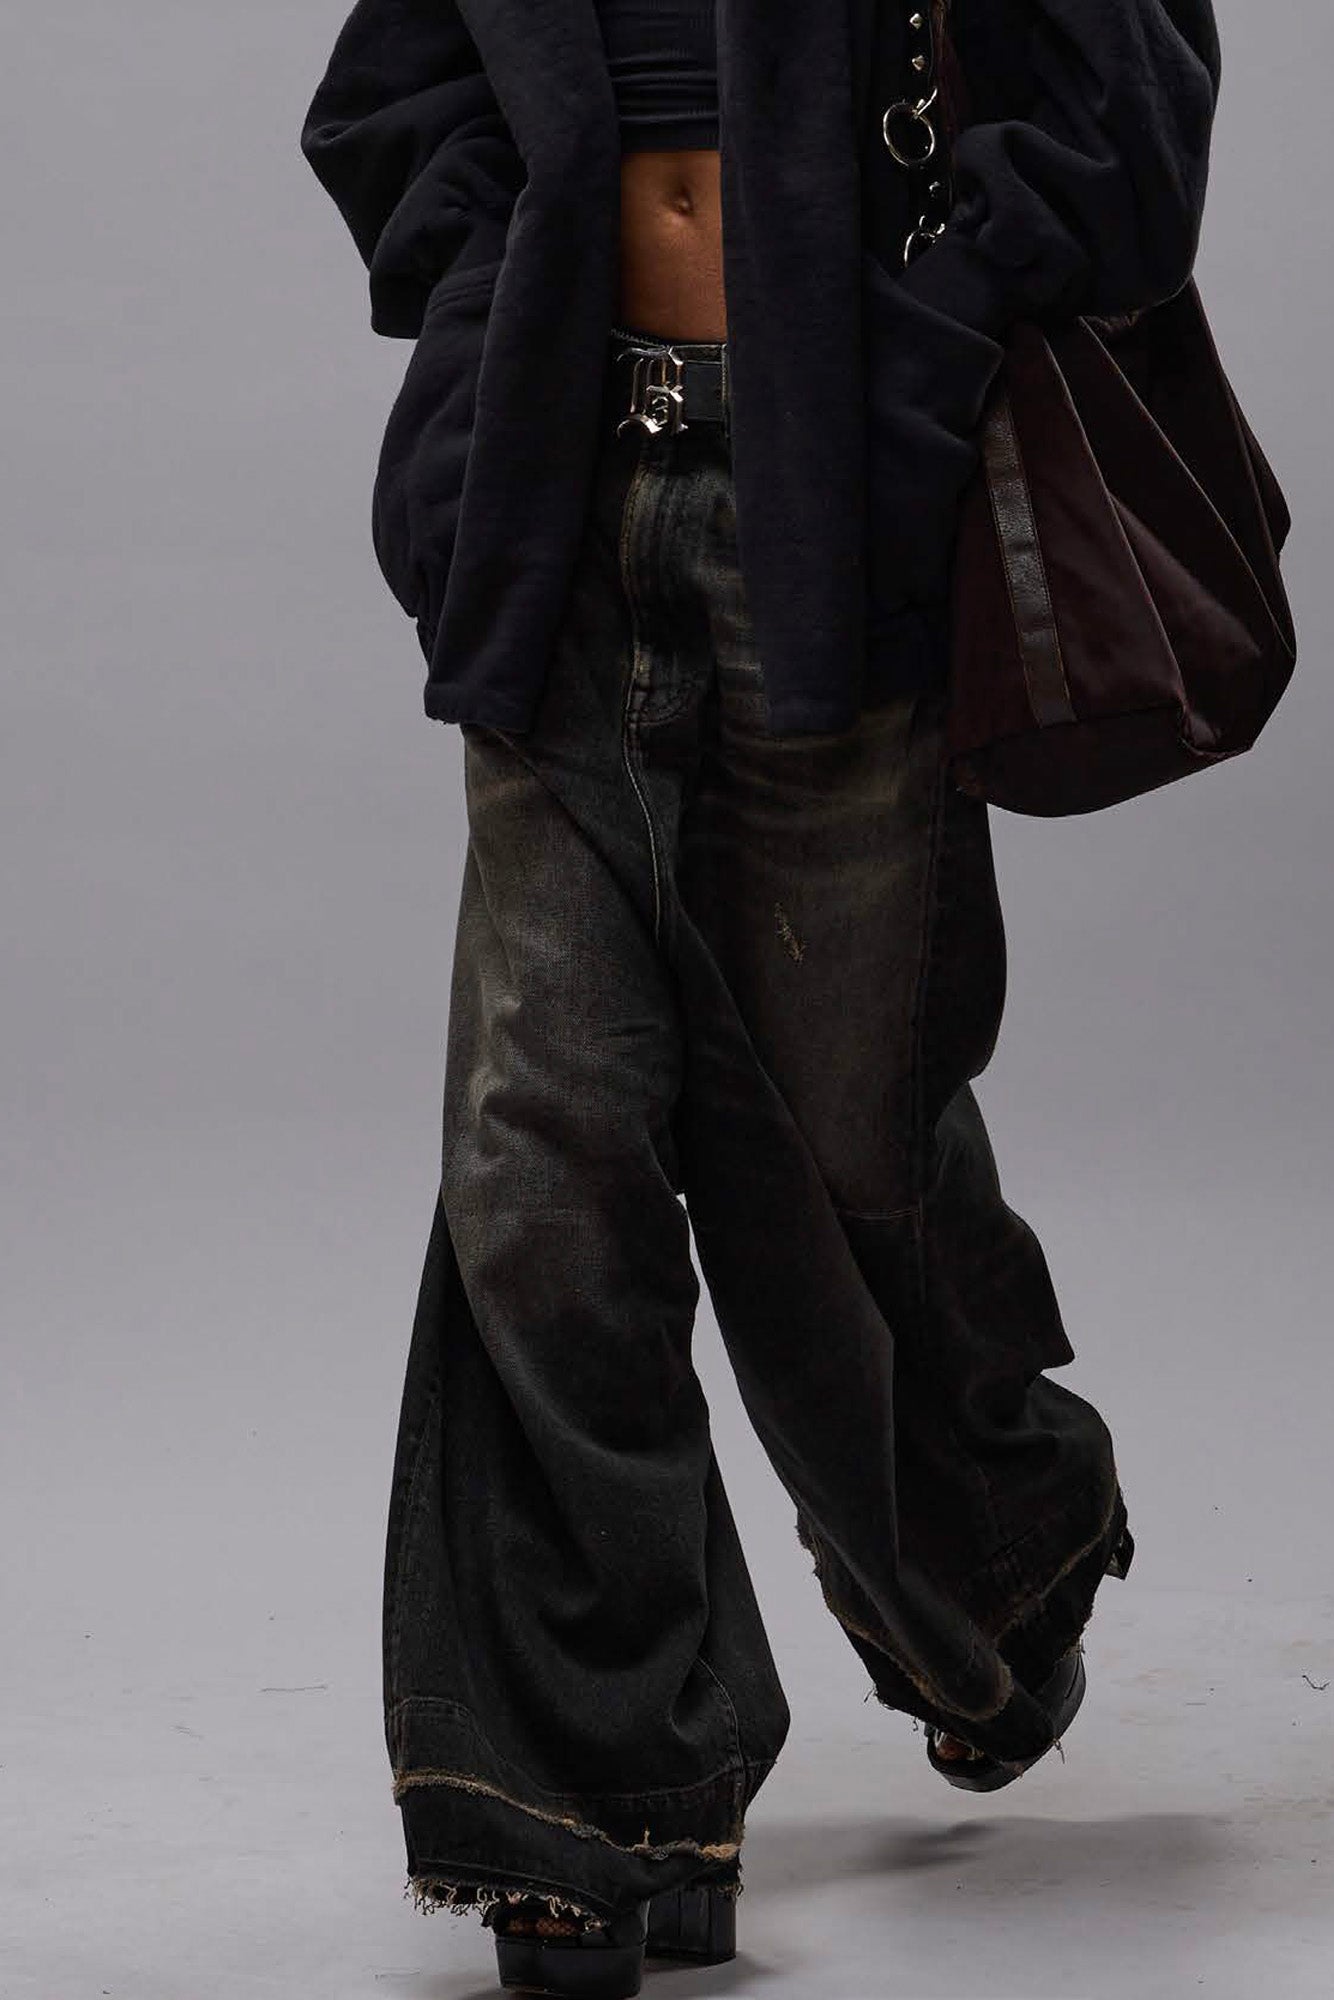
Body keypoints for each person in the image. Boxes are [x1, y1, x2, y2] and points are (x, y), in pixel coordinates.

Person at [300, 2, 1221, 1992]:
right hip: (556, 509)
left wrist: (923, 343)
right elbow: (389, 99)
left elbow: (1126, 115)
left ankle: (997, 1555)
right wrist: (484, 323)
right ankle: (599, 1797)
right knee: (537, 1160)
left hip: (840, 522)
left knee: (846, 1160)